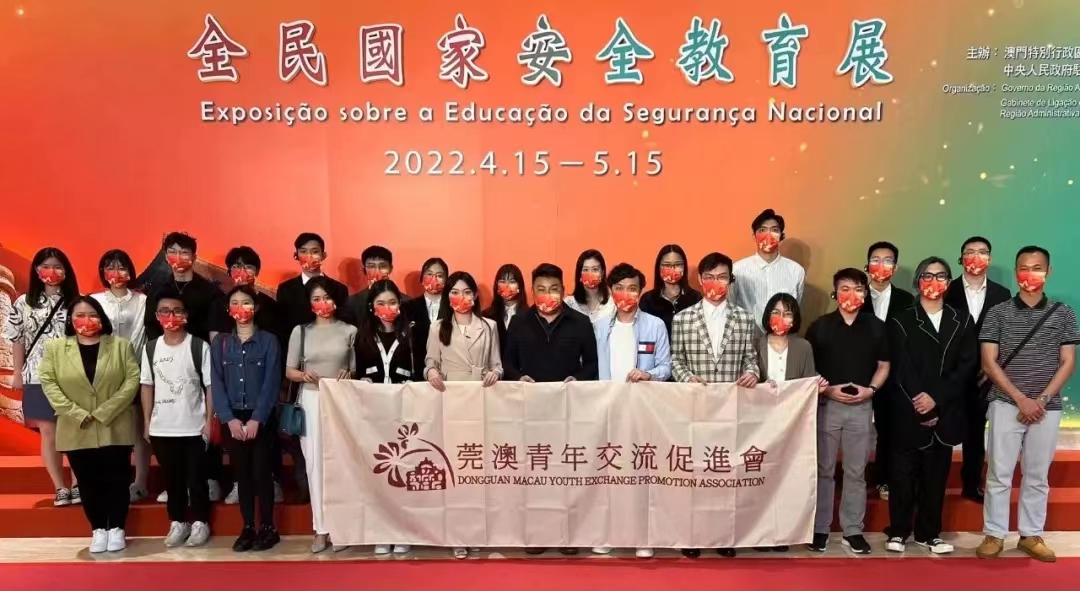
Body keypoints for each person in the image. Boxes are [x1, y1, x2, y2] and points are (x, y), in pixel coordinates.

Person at [976, 246, 1078, 563]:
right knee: (999, 473)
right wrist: (1020, 399)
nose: (1029, 274)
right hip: (1006, 403)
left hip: (1047, 408)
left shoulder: (1064, 313)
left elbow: (1068, 362)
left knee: (1037, 475)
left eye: (1037, 268)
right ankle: (994, 534)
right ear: (1016, 271)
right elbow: (989, 362)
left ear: (1048, 272)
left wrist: (1041, 400)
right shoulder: (998, 312)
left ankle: (1031, 535)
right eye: (1024, 267)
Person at [503, 263, 598, 556]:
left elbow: (593, 364)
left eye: (554, 289)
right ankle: (537, 533)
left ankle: (568, 535)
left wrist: (577, 380)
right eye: (541, 289)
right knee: (536, 474)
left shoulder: (580, 322)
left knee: (567, 474)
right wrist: (519, 377)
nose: (547, 294)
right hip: (530, 412)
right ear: (532, 291)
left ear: (563, 290)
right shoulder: (519, 322)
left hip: (568, 411)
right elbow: (507, 363)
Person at [670, 252, 759, 558]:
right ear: (699, 279)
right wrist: (687, 379)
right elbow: (676, 360)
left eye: (722, 277)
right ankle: (692, 536)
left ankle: (723, 537)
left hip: (731, 410)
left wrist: (752, 373)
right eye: (709, 277)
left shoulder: (745, 319)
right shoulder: (683, 318)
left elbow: (751, 359)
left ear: (730, 281)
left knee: (725, 472)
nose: (715, 283)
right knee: (694, 473)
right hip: (694, 409)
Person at [885, 257, 977, 555]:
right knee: (902, 477)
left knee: (935, 479)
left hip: (946, 411)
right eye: (927, 275)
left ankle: (930, 534)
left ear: (949, 283)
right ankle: (899, 531)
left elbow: (966, 366)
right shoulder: (901, 320)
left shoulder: (962, 320)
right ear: (918, 281)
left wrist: (936, 399)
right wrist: (920, 402)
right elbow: (900, 368)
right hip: (907, 410)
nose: (933, 282)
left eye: (941, 276)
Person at [38, 296, 140, 553]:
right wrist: (77, 413)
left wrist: (104, 411)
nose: (86, 320)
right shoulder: (55, 348)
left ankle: (117, 528)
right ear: (70, 320)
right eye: (80, 316)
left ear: (102, 318)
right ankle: (98, 529)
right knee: (87, 481)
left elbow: (131, 380)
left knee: (117, 479)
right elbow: (49, 383)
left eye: (92, 315)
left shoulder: (120, 346)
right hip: (76, 426)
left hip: (114, 424)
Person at [805, 268, 890, 555]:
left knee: (856, 471)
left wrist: (872, 390)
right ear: (835, 293)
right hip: (827, 406)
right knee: (824, 469)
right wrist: (827, 390)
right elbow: (809, 369)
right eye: (844, 288)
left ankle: (853, 530)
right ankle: (819, 528)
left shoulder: (877, 326)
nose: (851, 295)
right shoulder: (820, 327)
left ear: (865, 294)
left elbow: (884, 365)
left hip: (861, 408)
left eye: (857, 289)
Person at [590, 263, 670, 559]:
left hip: (642, 409)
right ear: (611, 291)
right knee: (609, 473)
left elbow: (666, 366)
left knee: (641, 473)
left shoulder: (654, 325)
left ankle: (642, 536)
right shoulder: (600, 326)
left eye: (633, 288)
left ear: (641, 291)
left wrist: (648, 374)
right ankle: (609, 534)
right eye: (620, 288)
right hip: (608, 409)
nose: (626, 294)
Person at [425, 271, 502, 560]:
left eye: (467, 292)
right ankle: (457, 534)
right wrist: (431, 372)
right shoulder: (438, 327)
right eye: (455, 292)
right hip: (451, 400)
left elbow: (497, 363)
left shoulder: (490, 326)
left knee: (478, 469)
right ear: (448, 297)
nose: (462, 298)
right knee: (454, 469)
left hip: (481, 400)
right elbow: (430, 361)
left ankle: (476, 531)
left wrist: (496, 373)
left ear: (475, 295)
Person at [143, 232, 224, 503]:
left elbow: (215, 329)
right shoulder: (158, 288)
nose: (178, 257)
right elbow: (150, 327)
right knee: (173, 419)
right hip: (167, 361)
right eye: (172, 251)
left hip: (199, 359)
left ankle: (210, 478)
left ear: (194, 256)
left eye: (184, 251)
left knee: (205, 418)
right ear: (166, 256)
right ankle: (176, 484)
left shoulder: (208, 290)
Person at [275, 232, 350, 502]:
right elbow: (283, 332)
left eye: (315, 250)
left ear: (324, 255)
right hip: (301, 377)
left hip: (334, 381)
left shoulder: (339, 289)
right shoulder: (286, 290)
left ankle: (337, 497)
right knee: (303, 441)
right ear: (296, 255)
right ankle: (309, 494)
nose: (310, 256)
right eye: (304, 251)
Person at [2, 247, 81, 506]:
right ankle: (60, 487)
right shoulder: (23, 303)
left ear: (66, 271)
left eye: (58, 266)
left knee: (75, 430)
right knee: (49, 432)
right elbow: (17, 340)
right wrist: (17, 373)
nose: (52, 271)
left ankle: (78, 483)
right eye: (46, 266)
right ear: (36, 270)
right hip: (37, 375)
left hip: (73, 376)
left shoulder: (77, 302)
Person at [285, 277, 357, 554]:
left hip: (340, 400)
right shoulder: (300, 332)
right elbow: (289, 370)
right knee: (315, 464)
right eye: (316, 298)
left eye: (327, 297)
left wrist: (349, 374)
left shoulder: (349, 331)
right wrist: (303, 375)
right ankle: (321, 528)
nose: (322, 303)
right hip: (311, 399)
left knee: (341, 463)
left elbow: (354, 369)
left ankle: (341, 527)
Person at [753, 292, 828, 553]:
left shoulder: (803, 347)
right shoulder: (755, 344)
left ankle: (782, 532)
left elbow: (808, 381)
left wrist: (818, 385)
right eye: (775, 312)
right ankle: (760, 532)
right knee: (760, 476)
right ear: (767, 315)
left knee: (785, 477)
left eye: (787, 313)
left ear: (795, 318)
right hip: (759, 423)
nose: (780, 318)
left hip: (791, 423)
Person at [211, 285, 282, 552]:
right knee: (242, 475)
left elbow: (271, 383)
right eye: (235, 303)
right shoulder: (220, 343)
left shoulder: (269, 341)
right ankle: (248, 526)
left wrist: (257, 419)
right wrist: (228, 419)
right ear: (228, 309)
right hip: (232, 418)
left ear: (256, 308)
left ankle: (268, 527)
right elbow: (216, 383)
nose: (241, 308)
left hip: (260, 417)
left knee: (262, 473)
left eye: (246, 302)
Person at [140, 289, 213, 548]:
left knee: (197, 479)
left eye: (176, 311)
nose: (171, 316)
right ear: (157, 316)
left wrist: (209, 421)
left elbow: (210, 386)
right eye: (165, 311)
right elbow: (146, 385)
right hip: (162, 428)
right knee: (172, 480)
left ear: (186, 315)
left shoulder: (198, 346)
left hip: (194, 427)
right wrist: (147, 422)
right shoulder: (151, 348)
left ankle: (200, 522)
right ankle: (178, 521)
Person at [213, 246, 284, 506]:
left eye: (248, 266)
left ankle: (271, 486)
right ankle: (239, 490)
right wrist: (226, 415)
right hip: (232, 393)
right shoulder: (219, 314)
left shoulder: (271, 309)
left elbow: (276, 358)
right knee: (239, 458)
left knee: (265, 451)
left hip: (263, 389)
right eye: (236, 266)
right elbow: (216, 367)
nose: (242, 272)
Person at [945, 236, 1012, 503]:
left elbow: (1006, 335)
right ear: (961, 258)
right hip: (949, 373)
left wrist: (992, 367)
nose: (976, 257)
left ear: (990, 259)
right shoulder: (946, 290)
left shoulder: (1002, 294)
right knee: (942, 428)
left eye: (982, 252)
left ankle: (971, 484)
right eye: (970, 252)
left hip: (985, 376)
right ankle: (934, 484)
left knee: (975, 431)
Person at [91, 250, 151, 503]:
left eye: (121, 266)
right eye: (110, 267)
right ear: (103, 272)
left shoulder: (143, 301)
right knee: (108, 427)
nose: (116, 272)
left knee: (138, 428)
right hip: (103, 373)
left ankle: (140, 482)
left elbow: (143, 334)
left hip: (135, 369)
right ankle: (112, 479)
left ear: (130, 271)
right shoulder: (93, 301)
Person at [861, 241, 914, 501]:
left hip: (894, 377)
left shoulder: (907, 300)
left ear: (896, 267)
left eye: (887, 260)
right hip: (860, 374)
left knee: (889, 430)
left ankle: (884, 479)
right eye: (875, 259)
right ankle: (856, 481)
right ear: (867, 265)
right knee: (857, 431)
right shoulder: (855, 295)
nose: (881, 265)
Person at [731, 209, 806, 323]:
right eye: (762, 230)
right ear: (754, 236)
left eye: (774, 230)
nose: (768, 235)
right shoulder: (737, 270)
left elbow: (794, 308)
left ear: (781, 236)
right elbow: (731, 306)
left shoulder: (796, 271)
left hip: (782, 333)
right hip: (747, 332)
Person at [356, 280, 423, 385]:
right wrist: (363, 379)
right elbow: (358, 370)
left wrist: (412, 381)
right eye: (381, 304)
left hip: (403, 393)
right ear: (371, 306)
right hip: (372, 393)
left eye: (392, 303)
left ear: (399, 303)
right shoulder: (363, 335)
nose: (387, 308)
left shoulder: (412, 333)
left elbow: (420, 370)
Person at [639, 244, 701, 338]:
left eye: (678, 264)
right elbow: (643, 333)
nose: (672, 269)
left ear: (684, 266)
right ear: (658, 267)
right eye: (667, 265)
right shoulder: (648, 299)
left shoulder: (695, 297)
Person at [404, 257, 448, 359]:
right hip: (418, 362)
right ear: (421, 279)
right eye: (429, 274)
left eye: (439, 275)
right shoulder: (408, 307)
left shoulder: (452, 306)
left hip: (447, 362)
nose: (434, 279)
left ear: (446, 280)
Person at [481, 264, 527, 354]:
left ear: (520, 286)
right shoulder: (486, 316)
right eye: (502, 281)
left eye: (512, 281)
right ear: (496, 285)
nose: (507, 286)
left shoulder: (530, 316)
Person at [346, 245, 397, 322]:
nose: (377, 271)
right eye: (371, 266)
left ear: (390, 269)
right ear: (364, 270)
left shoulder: (406, 301)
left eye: (383, 266)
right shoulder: (352, 302)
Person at [564, 249, 615, 322]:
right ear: (579, 274)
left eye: (595, 269)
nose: (590, 273)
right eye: (585, 270)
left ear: (602, 272)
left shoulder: (612, 303)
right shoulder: (569, 304)